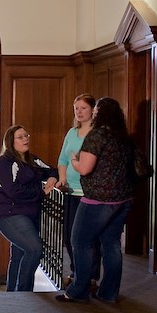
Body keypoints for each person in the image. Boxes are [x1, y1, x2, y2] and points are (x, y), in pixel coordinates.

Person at [57, 97, 137, 304]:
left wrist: (74, 160)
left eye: (93, 110)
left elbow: (84, 168)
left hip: (98, 199)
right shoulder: (123, 137)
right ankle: (109, 293)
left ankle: (78, 291)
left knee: (80, 242)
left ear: (98, 112)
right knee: (111, 245)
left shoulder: (97, 135)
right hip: (123, 198)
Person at [0, 124, 58, 291]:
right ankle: (24, 293)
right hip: (10, 214)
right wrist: (41, 192)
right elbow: (13, 191)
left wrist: (51, 178)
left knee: (19, 255)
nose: (25, 139)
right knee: (35, 249)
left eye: (26, 135)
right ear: (10, 142)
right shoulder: (4, 162)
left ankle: (12, 296)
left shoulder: (32, 159)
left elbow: (52, 170)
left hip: (30, 214)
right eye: (20, 137)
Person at [56, 93, 100, 290]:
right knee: (69, 236)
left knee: (88, 238)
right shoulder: (72, 132)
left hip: (89, 192)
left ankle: (90, 277)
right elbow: (63, 159)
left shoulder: (97, 132)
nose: (79, 112)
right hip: (70, 191)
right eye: (76, 109)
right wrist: (62, 178)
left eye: (83, 108)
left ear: (92, 109)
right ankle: (76, 272)